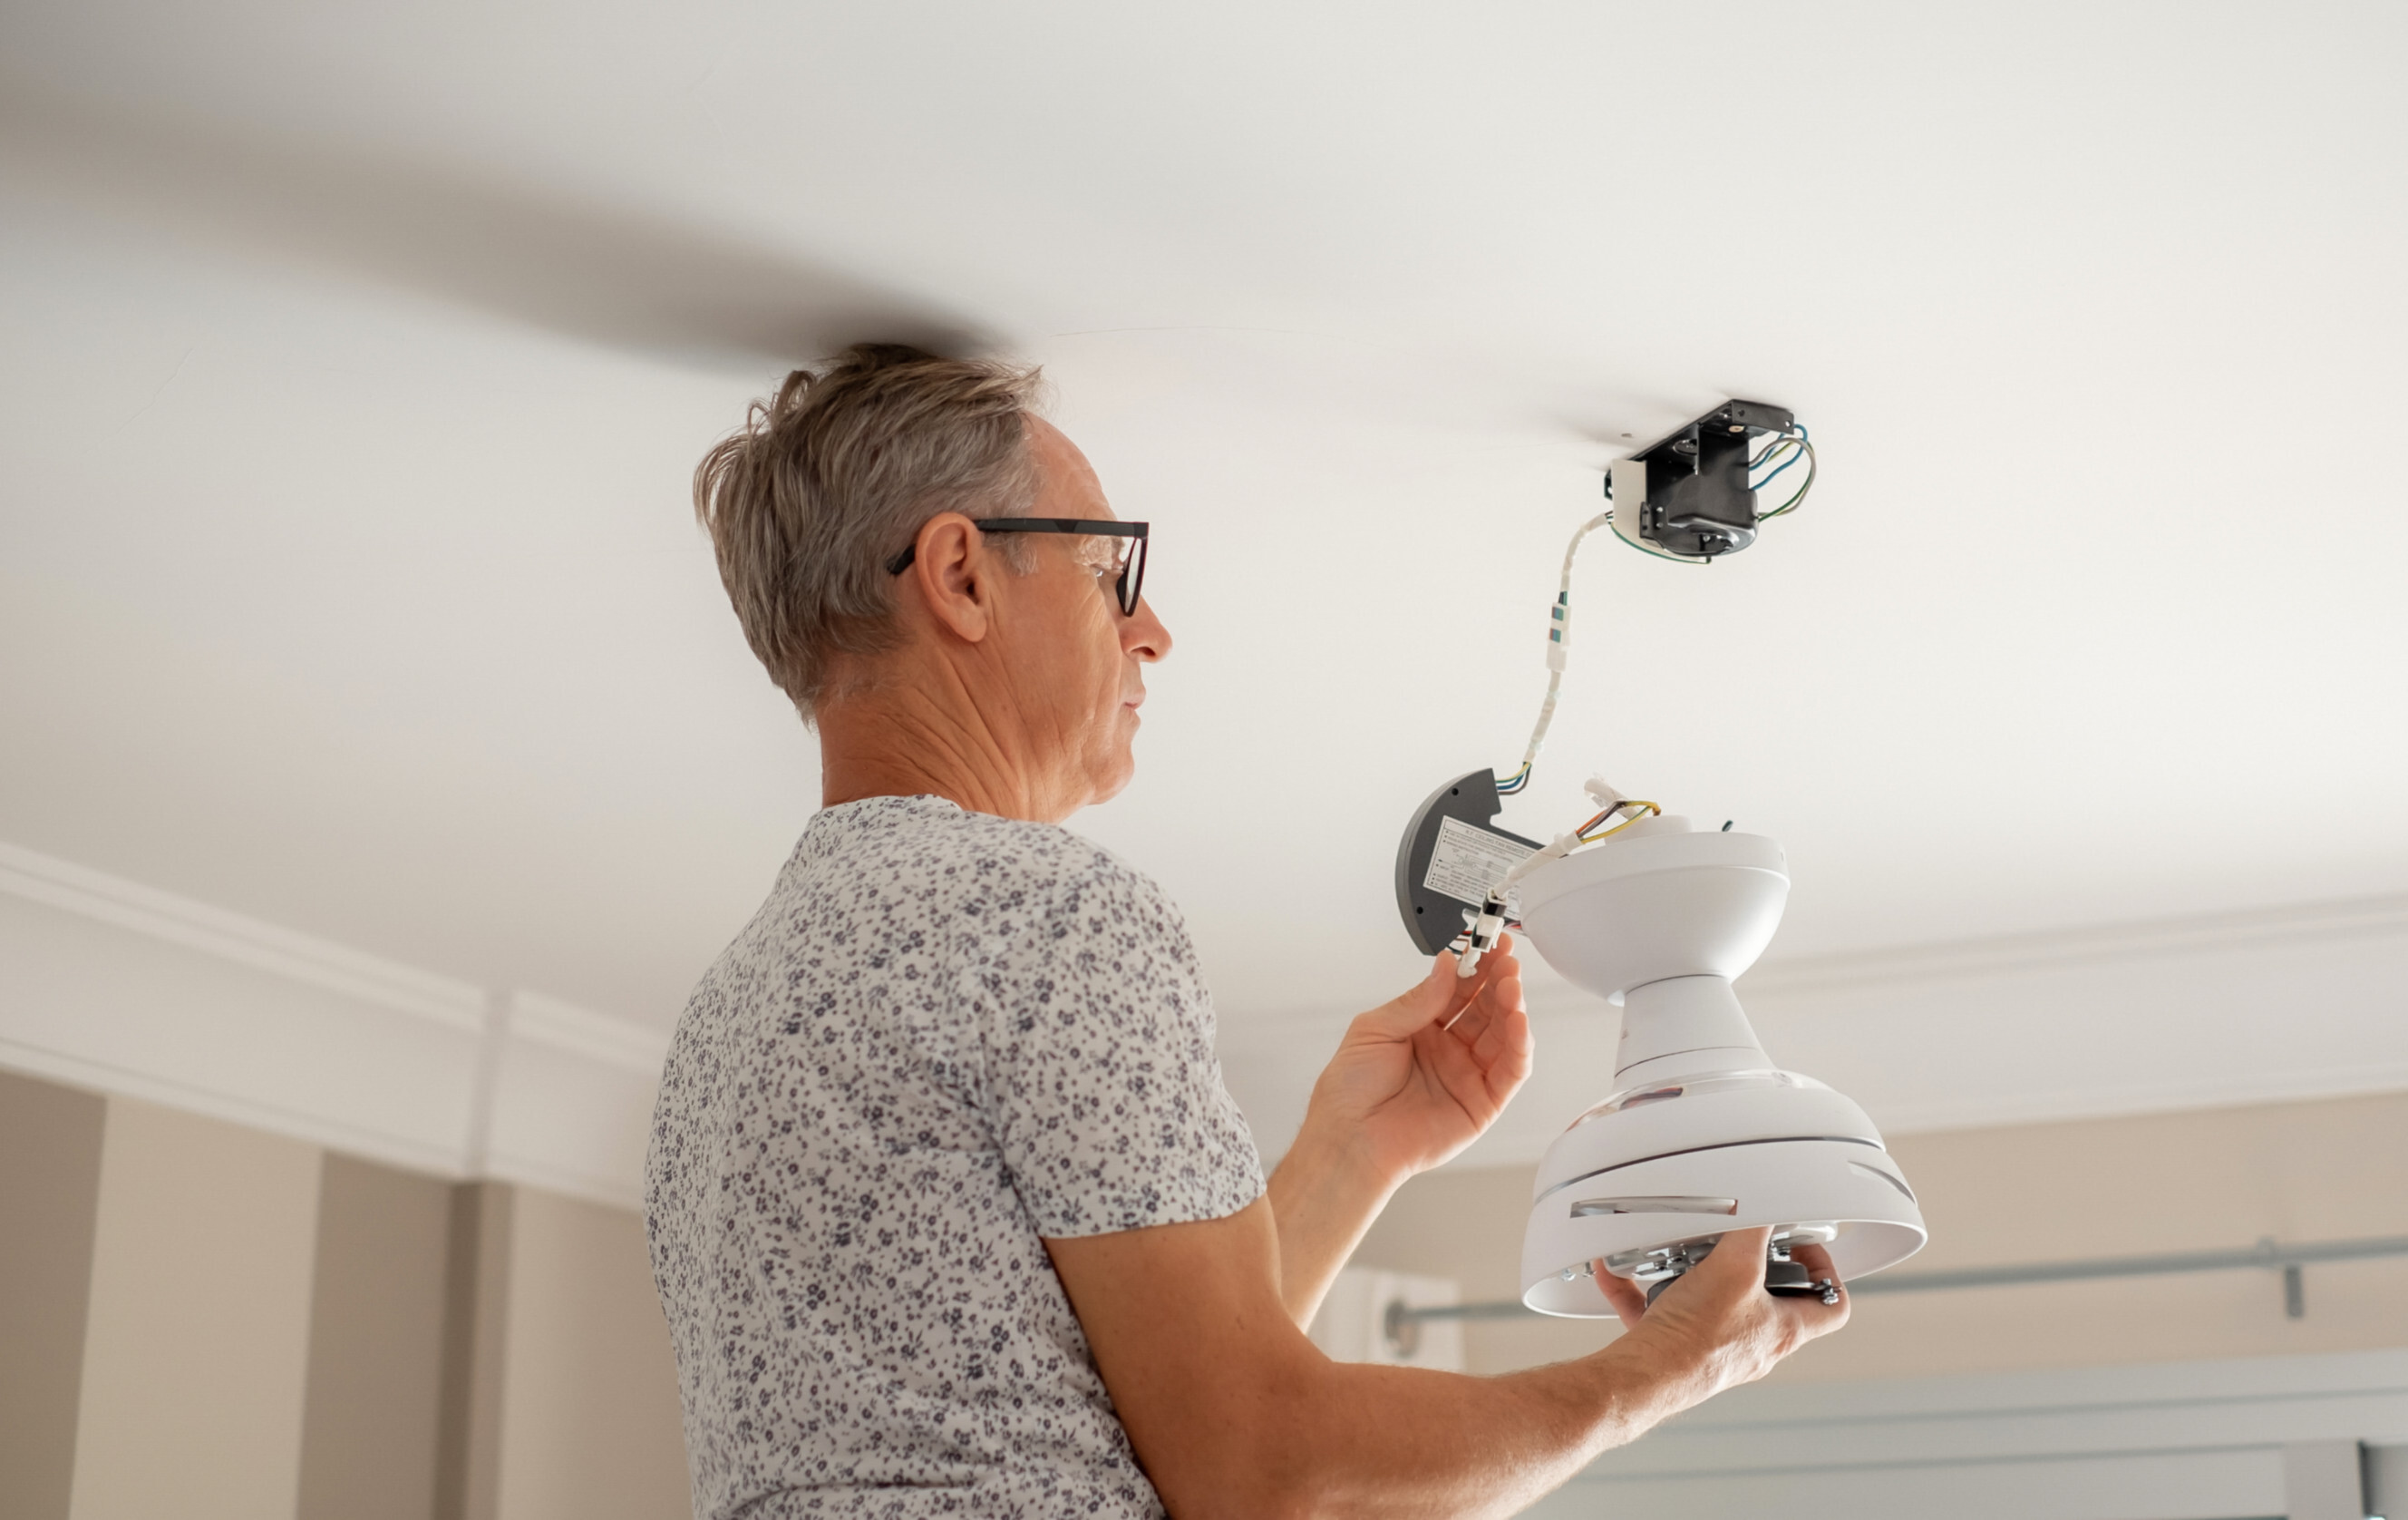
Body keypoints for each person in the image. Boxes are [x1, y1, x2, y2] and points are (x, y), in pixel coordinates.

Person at [645, 344, 1847, 1520]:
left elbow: (1144, 1412)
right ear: (960, 575)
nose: (1151, 628)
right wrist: (1666, 1369)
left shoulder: (726, 1018)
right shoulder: (1047, 918)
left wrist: (1350, 1154)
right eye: (1111, 570)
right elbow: (1268, 1475)